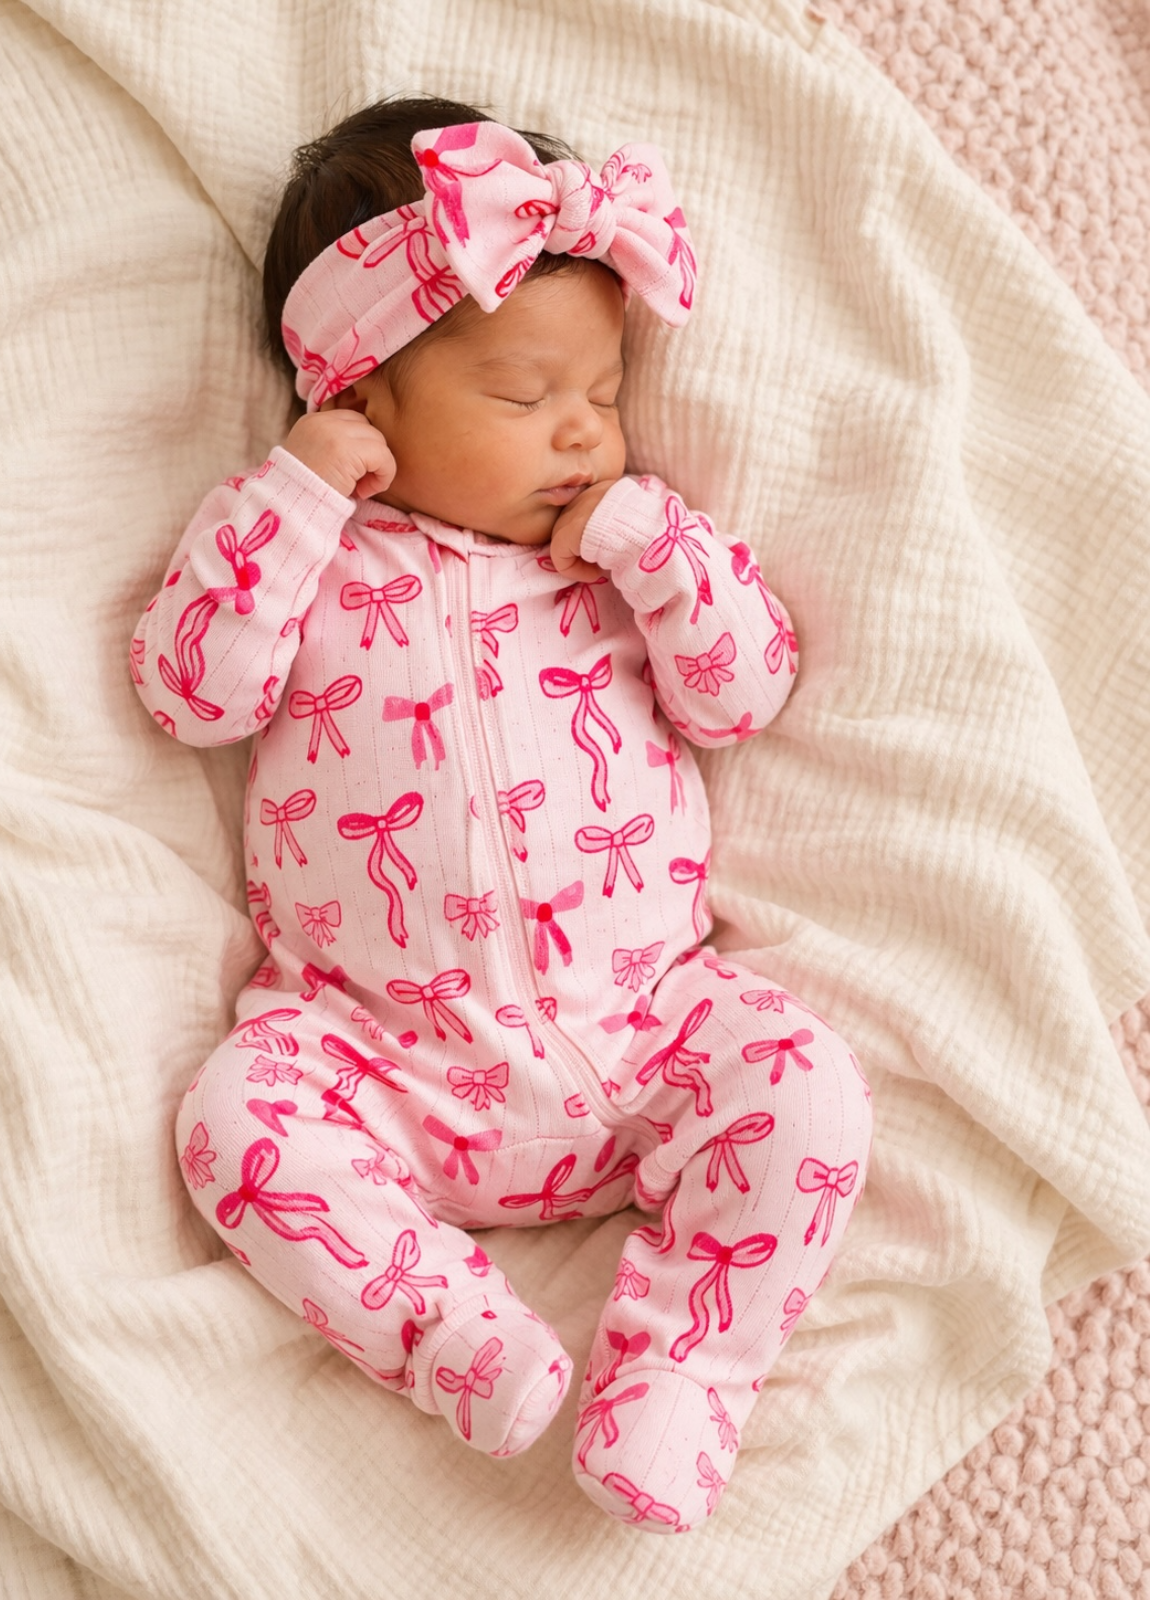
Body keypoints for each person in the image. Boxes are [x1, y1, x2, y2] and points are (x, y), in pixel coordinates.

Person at [130, 95, 872, 1533]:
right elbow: (191, 695)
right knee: (237, 1128)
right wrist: (290, 501)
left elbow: (742, 692)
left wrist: (658, 546)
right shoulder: (304, 555)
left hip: (645, 1027)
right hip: (380, 1059)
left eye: (599, 394)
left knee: (805, 1090)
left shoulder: (612, 560)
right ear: (359, 403)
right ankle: (455, 1338)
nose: (584, 435)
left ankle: (684, 1377)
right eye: (524, 400)